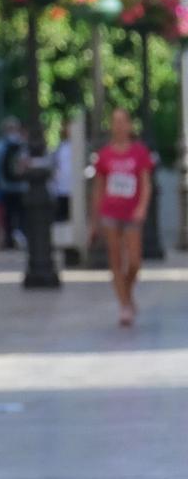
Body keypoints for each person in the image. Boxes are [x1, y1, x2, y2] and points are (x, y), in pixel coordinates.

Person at [90, 107, 153, 328]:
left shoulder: (139, 153)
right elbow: (98, 189)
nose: (118, 126)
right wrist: (94, 219)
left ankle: (127, 293)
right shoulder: (104, 155)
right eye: (114, 121)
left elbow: (146, 183)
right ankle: (125, 305)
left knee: (134, 261)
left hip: (132, 213)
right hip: (110, 212)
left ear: (129, 125)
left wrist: (142, 207)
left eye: (121, 121)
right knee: (116, 259)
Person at [0, 116, 26, 248]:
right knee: (21, 214)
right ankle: (21, 236)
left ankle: (9, 239)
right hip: (22, 186)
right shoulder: (23, 143)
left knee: (7, 215)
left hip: (5, 186)